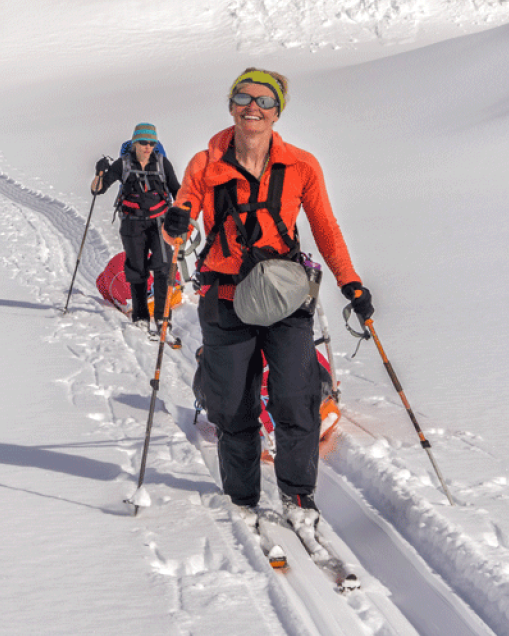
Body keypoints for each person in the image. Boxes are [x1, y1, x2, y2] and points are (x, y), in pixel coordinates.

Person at [163, 68, 374, 533]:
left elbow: (326, 229)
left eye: (264, 100)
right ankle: (242, 498)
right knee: (233, 406)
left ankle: (299, 496)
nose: (252, 107)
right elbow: (183, 210)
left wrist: (350, 283)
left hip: (284, 299)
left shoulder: (301, 165)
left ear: (278, 111)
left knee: (296, 401)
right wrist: (176, 222)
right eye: (243, 96)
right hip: (225, 299)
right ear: (231, 104)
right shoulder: (205, 163)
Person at [91, 123, 182, 333]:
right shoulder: (122, 164)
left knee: (163, 266)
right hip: (132, 223)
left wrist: (183, 213)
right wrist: (99, 173)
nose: (148, 147)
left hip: (160, 222)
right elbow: (97, 190)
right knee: (137, 270)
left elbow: (176, 189)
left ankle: (161, 317)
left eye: (152, 143)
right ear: (135, 142)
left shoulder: (162, 163)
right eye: (143, 142)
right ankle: (141, 316)